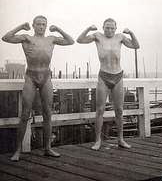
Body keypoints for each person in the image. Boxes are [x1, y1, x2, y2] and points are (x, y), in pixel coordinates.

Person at [2, 15, 75, 161]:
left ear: (46, 26)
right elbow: (6, 38)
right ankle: (18, 150)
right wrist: (21, 26)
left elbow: (70, 41)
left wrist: (58, 29)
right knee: (25, 114)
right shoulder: (27, 38)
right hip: (31, 75)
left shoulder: (51, 39)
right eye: (39, 24)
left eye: (44, 25)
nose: (41, 27)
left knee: (48, 114)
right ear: (34, 25)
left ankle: (48, 148)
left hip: (46, 76)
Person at [77, 18, 140, 150]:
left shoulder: (120, 37)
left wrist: (131, 32)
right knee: (100, 109)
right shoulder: (98, 36)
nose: (109, 30)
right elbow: (80, 40)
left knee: (119, 110)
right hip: (103, 76)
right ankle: (98, 140)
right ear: (103, 27)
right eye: (107, 28)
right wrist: (89, 28)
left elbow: (136, 46)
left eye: (112, 28)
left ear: (116, 28)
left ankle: (121, 139)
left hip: (118, 76)